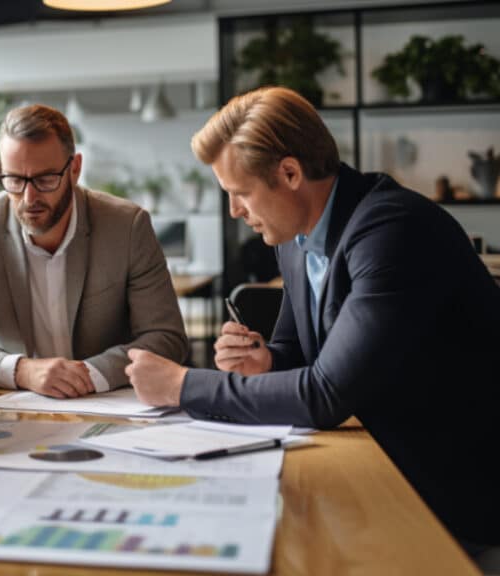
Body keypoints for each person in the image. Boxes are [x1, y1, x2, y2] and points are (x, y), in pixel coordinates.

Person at [125, 86, 500, 552]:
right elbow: (296, 354)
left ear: (289, 173)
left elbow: (325, 395)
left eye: (240, 193)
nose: (234, 211)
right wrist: (262, 362)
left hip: (452, 490)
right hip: (376, 460)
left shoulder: (392, 232)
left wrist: (181, 385)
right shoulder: (295, 238)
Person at [0, 104, 187, 398]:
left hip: (108, 402)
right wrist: (24, 370)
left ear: (74, 170)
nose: (28, 197)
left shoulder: (126, 226)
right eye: (14, 180)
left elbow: (166, 338)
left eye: (45, 179)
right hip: (20, 406)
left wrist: (87, 375)